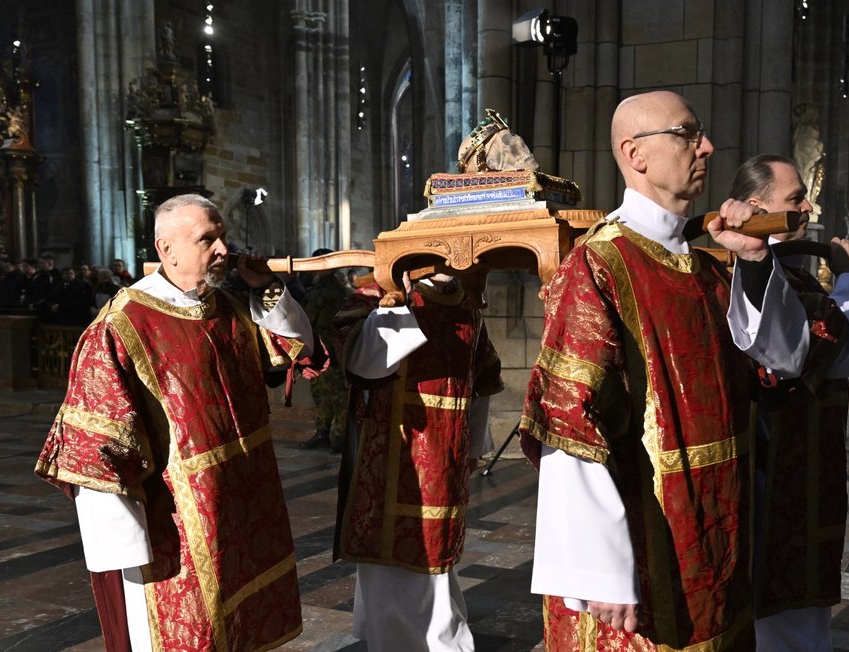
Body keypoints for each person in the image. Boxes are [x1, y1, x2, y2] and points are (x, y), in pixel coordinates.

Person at [519, 91, 813, 651]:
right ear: (636, 154)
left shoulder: (706, 266)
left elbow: (784, 362)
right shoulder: (600, 261)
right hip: (644, 540)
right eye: (686, 134)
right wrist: (598, 567)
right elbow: (567, 416)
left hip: (715, 532)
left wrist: (753, 263)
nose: (707, 146)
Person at [34, 194, 325, 651]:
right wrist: (125, 554)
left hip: (245, 504)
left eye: (223, 237)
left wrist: (266, 287)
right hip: (179, 527)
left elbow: (294, 348)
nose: (224, 250)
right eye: (207, 239)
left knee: (243, 629)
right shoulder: (123, 325)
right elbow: (95, 445)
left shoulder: (227, 307)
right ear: (165, 248)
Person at [729, 154, 849, 650]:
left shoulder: (793, 276)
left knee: (804, 612)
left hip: (808, 464)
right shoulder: (755, 275)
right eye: (796, 198)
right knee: (779, 617)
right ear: (757, 207)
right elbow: (817, 352)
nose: (809, 205)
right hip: (772, 468)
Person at [333, 271, 503, 651]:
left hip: (446, 452)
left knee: (436, 553)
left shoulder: (466, 302)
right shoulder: (375, 293)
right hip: (392, 449)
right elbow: (364, 366)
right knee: (390, 554)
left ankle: (438, 640)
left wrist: (474, 446)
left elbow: (481, 380)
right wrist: (396, 300)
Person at [299, 248, 353, 452]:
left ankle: (338, 436)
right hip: (317, 348)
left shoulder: (334, 291)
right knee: (320, 393)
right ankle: (323, 433)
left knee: (337, 394)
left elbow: (331, 324)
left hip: (329, 350)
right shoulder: (318, 288)